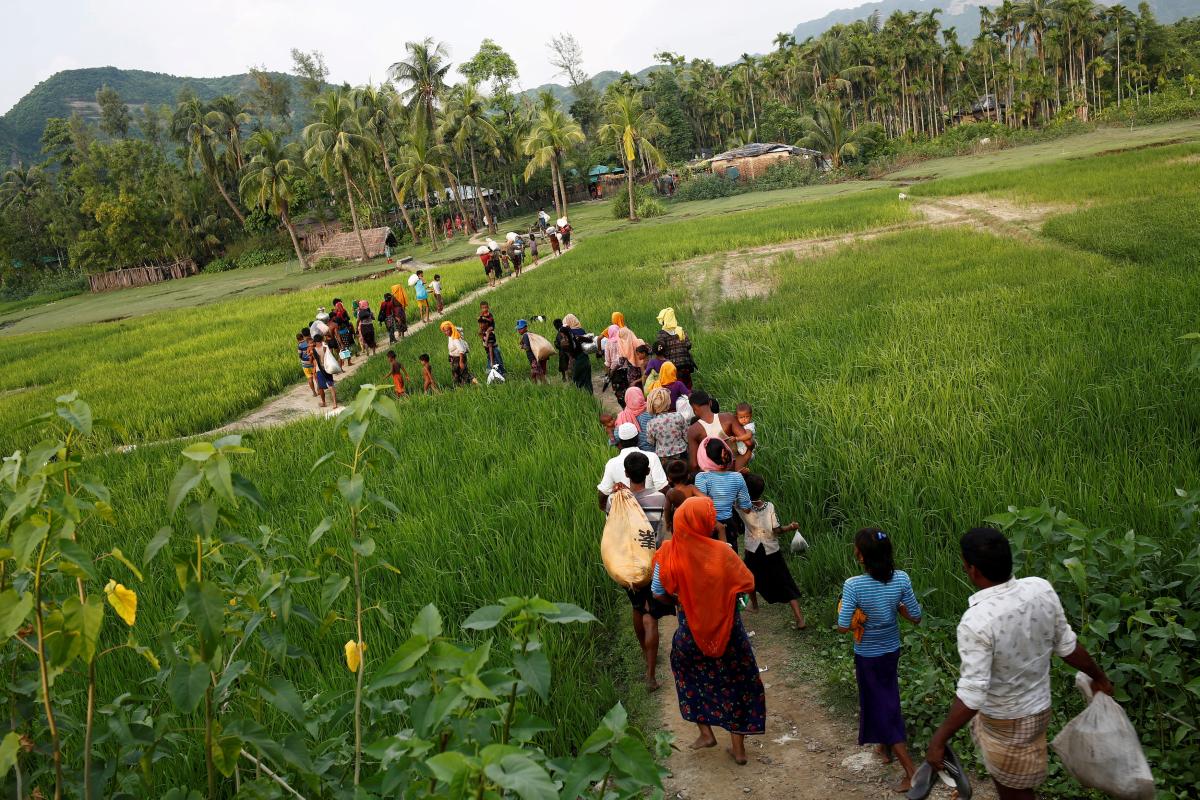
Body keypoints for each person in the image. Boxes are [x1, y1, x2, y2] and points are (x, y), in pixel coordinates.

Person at [923, 527, 1113, 800]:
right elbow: (1067, 647)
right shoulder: (1040, 589)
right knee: (1016, 782)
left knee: (1013, 790)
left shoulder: (976, 621)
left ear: (972, 570)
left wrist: (939, 739)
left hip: (1006, 720)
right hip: (1039, 709)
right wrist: (1100, 677)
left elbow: (973, 693)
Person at [652, 496, 765, 765]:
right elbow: (747, 584)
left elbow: (658, 592)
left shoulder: (669, 552)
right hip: (729, 631)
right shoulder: (723, 552)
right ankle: (738, 749)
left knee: (690, 676)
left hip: (690, 630)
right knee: (738, 682)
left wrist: (679, 601)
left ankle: (706, 733)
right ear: (704, 522)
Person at [837, 527, 922, 792]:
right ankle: (883, 749)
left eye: (856, 548)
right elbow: (915, 616)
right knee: (885, 696)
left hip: (868, 655)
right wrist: (894, 605)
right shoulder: (901, 580)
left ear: (862, 557)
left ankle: (912, 771)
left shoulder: (854, 585)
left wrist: (854, 613)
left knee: (882, 706)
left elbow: (842, 626)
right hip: (891, 651)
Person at [605, 451, 673, 690]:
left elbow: (613, 527)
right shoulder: (659, 499)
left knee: (637, 608)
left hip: (626, 564)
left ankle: (647, 656)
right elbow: (665, 530)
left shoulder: (616, 500)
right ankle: (651, 674)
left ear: (625, 473)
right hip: (652, 563)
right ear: (648, 472)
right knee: (650, 614)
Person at [740, 473, 805, 626]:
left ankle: (754, 605)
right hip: (772, 549)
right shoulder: (769, 506)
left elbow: (733, 496)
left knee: (750, 577)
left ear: (745, 491)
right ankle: (799, 618)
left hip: (753, 550)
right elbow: (776, 530)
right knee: (785, 580)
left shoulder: (741, 508)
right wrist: (790, 527)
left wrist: (739, 478)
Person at [694, 437, 751, 550]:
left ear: (705, 457)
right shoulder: (737, 477)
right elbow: (746, 508)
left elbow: (701, 506)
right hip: (729, 526)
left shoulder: (702, 478)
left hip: (708, 525)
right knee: (730, 560)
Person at [597, 422, 668, 507]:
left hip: (626, 512)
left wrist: (608, 511)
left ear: (620, 441)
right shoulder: (652, 457)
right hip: (652, 510)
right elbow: (662, 487)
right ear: (637, 438)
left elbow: (603, 493)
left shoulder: (611, 463)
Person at [687, 391, 754, 473]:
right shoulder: (728, 417)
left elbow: (694, 465)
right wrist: (743, 459)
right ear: (710, 403)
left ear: (694, 410)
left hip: (714, 474)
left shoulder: (693, 430)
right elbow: (749, 443)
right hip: (735, 468)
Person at [644, 388, 689, 465]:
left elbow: (651, 442)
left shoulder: (651, 423)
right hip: (681, 453)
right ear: (668, 403)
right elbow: (686, 436)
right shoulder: (678, 416)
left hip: (663, 458)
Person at [656, 308, 696, 388]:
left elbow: (659, 350)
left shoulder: (662, 334)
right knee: (687, 388)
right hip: (686, 366)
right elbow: (688, 345)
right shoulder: (680, 330)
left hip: (672, 368)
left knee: (676, 390)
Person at [562, 314, 593, 391]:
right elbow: (589, 341)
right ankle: (590, 397)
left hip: (576, 360)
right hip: (585, 357)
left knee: (577, 380)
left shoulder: (569, 334)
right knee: (587, 380)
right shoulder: (581, 330)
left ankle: (582, 397)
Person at [440, 320, 476, 385]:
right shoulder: (451, 336)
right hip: (454, 358)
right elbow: (459, 329)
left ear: (451, 329)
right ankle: (465, 386)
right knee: (460, 373)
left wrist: (461, 362)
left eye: (447, 330)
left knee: (461, 373)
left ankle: (472, 384)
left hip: (458, 358)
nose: (446, 332)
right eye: (444, 331)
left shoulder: (455, 338)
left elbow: (461, 350)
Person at [310, 333, 338, 409]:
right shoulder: (325, 347)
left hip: (319, 370)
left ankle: (324, 402)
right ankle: (335, 403)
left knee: (321, 387)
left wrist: (314, 371)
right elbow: (330, 356)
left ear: (315, 341)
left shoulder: (313, 350)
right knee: (331, 386)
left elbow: (314, 361)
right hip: (327, 368)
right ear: (321, 340)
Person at [516, 319, 549, 384]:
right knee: (537, 373)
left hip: (534, 358)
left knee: (536, 373)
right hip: (538, 357)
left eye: (520, 328)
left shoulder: (526, 335)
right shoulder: (530, 334)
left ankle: (542, 386)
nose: (519, 330)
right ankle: (540, 386)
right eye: (518, 329)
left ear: (525, 327)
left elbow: (528, 348)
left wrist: (522, 346)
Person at [297, 331, 316, 397]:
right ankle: (319, 390)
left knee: (309, 378)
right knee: (316, 377)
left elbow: (300, 355)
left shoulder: (300, 345)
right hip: (313, 362)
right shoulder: (310, 341)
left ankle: (314, 392)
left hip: (305, 364)